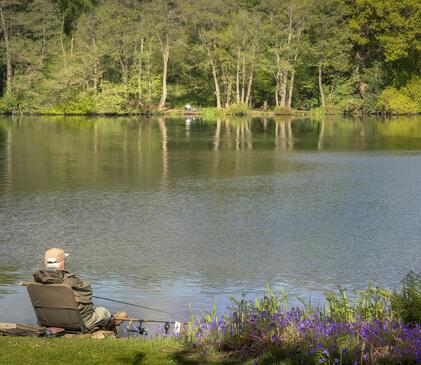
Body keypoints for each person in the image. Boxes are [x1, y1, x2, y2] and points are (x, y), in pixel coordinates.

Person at [33, 248, 125, 330]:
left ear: (45, 262)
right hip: (76, 323)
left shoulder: (36, 281)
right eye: (65, 260)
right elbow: (88, 292)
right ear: (62, 264)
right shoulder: (70, 280)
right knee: (103, 311)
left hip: (48, 321)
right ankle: (109, 327)